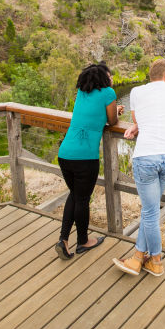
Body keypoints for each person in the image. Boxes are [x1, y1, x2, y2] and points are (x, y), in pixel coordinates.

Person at [113, 58, 165, 277]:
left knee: (150, 211)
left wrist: (135, 126)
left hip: (147, 157)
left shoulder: (136, 92)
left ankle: (156, 261)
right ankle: (137, 257)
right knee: (150, 210)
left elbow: (138, 119)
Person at [54, 62, 121, 260]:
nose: (111, 78)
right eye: (109, 75)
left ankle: (63, 240)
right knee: (82, 199)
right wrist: (116, 111)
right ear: (103, 77)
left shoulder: (82, 94)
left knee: (74, 195)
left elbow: (94, 114)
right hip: (85, 157)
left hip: (65, 153)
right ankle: (83, 241)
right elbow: (112, 121)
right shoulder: (108, 93)